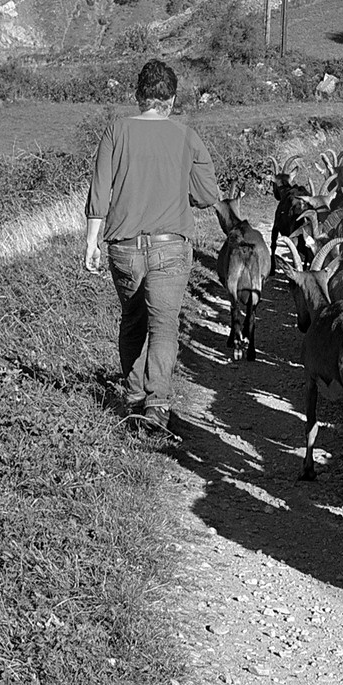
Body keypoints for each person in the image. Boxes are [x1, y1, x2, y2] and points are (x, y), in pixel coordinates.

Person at [83, 59, 224, 433]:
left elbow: (100, 188)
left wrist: (91, 240)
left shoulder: (116, 130)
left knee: (133, 322)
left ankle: (132, 398)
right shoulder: (186, 136)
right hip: (171, 247)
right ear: (172, 100)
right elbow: (208, 194)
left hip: (124, 248)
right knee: (164, 325)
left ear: (138, 97)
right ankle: (157, 405)